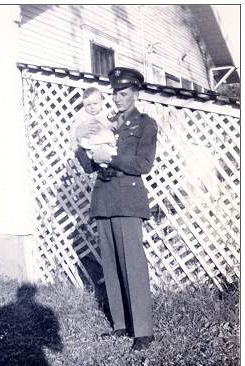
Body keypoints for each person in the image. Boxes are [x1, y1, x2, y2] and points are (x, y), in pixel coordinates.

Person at [74, 67, 158, 351]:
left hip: (127, 199)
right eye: (115, 94)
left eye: (123, 94)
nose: (118, 99)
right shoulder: (104, 122)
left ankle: (143, 331)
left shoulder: (145, 124)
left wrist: (109, 157)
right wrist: (79, 141)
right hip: (104, 198)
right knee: (110, 265)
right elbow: (87, 166)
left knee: (132, 264)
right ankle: (121, 326)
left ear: (135, 94)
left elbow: (143, 164)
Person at [70, 87, 117, 168]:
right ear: (84, 105)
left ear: (101, 102)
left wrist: (111, 125)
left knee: (111, 150)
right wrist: (73, 140)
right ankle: (101, 163)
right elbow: (74, 128)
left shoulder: (104, 113)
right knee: (94, 150)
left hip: (103, 140)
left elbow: (107, 124)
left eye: (95, 104)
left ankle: (110, 163)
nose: (92, 107)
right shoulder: (83, 115)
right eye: (88, 105)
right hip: (91, 142)